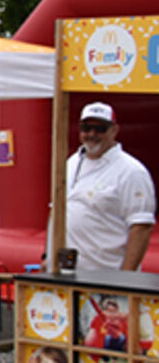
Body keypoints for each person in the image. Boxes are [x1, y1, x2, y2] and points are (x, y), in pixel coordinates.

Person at [63, 101, 155, 271]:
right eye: (86, 127)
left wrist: (126, 276)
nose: (92, 133)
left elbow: (141, 227)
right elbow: (57, 212)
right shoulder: (70, 163)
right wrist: (48, 256)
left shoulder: (132, 171)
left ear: (114, 130)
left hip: (108, 274)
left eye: (100, 129)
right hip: (69, 272)